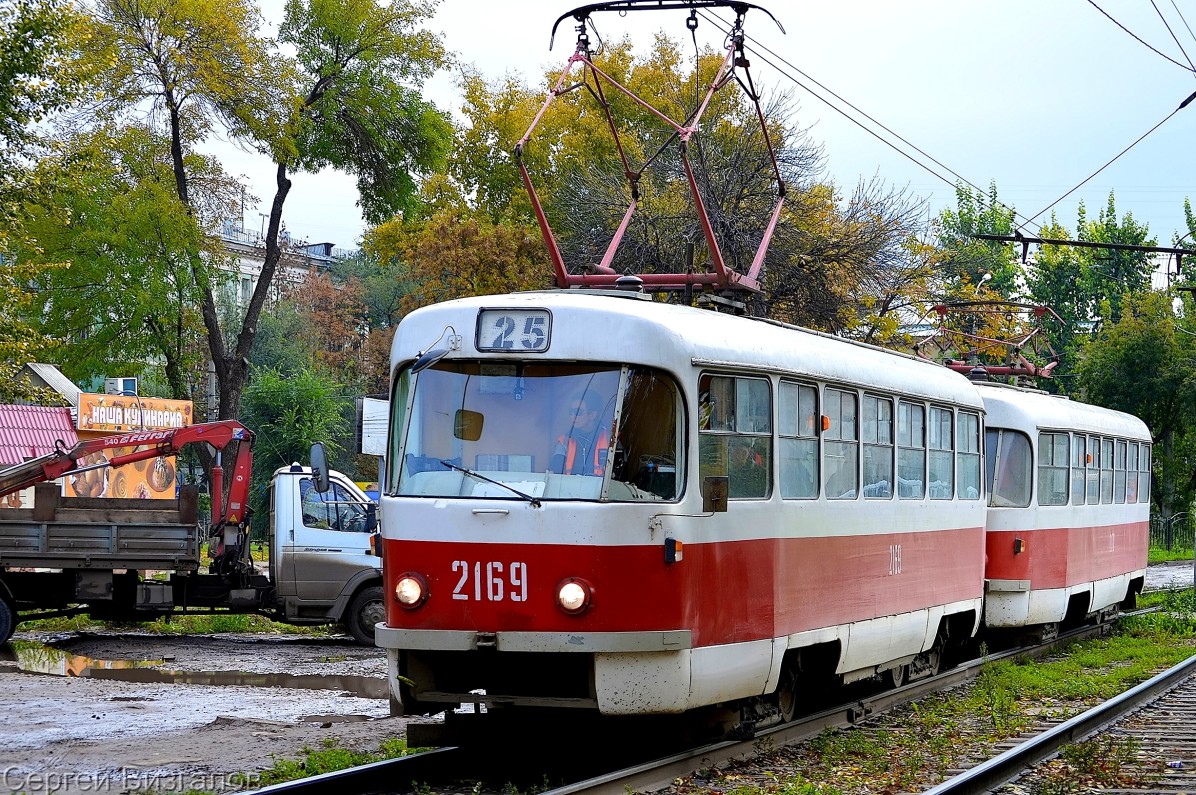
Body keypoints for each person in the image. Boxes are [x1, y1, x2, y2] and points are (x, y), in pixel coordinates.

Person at [550, 391, 612, 475]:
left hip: (600, 488)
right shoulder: (564, 441)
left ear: (592, 415)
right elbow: (554, 472)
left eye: (577, 412)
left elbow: (618, 475)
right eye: (570, 412)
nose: (572, 416)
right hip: (569, 487)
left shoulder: (610, 439)